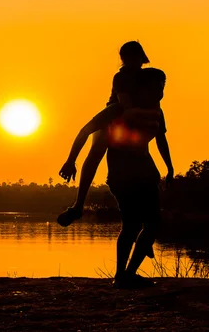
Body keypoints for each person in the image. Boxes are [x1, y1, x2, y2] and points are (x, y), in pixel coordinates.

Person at [62, 68, 174, 288]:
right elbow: (85, 131)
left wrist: (169, 167)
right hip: (122, 175)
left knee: (152, 224)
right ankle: (120, 274)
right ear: (140, 89)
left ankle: (129, 274)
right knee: (131, 224)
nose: (159, 93)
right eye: (154, 88)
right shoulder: (116, 111)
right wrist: (70, 160)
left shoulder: (156, 112)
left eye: (162, 88)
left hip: (147, 174)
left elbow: (161, 139)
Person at [57, 41, 160, 227]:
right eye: (127, 59)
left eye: (135, 59)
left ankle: (146, 228)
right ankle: (78, 206)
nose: (132, 63)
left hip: (136, 120)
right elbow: (85, 131)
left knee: (142, 158)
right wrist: (71, 160)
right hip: (116, 114)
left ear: (141, 58)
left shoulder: (148, 76)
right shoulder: (120, 79)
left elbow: (154, 100)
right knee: (96, 152)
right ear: (123, 59)